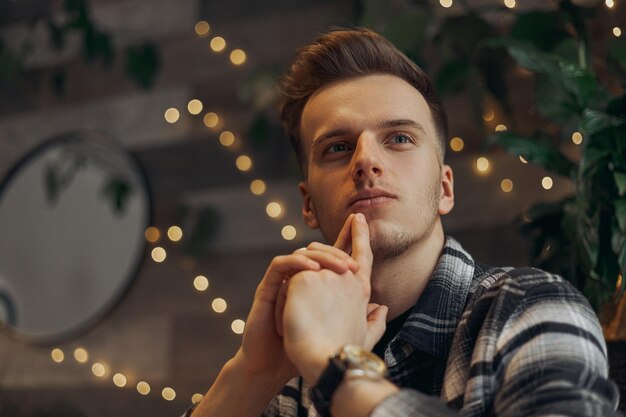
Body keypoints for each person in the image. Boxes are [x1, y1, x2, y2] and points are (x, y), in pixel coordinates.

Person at [183, 28, 621, 417]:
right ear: (308, 204)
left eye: (399, 138)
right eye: (337, 147)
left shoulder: (530, 307)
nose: (366, 160)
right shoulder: (289, 385)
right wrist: (251, 374)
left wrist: (335, 366)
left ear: (445, 187)